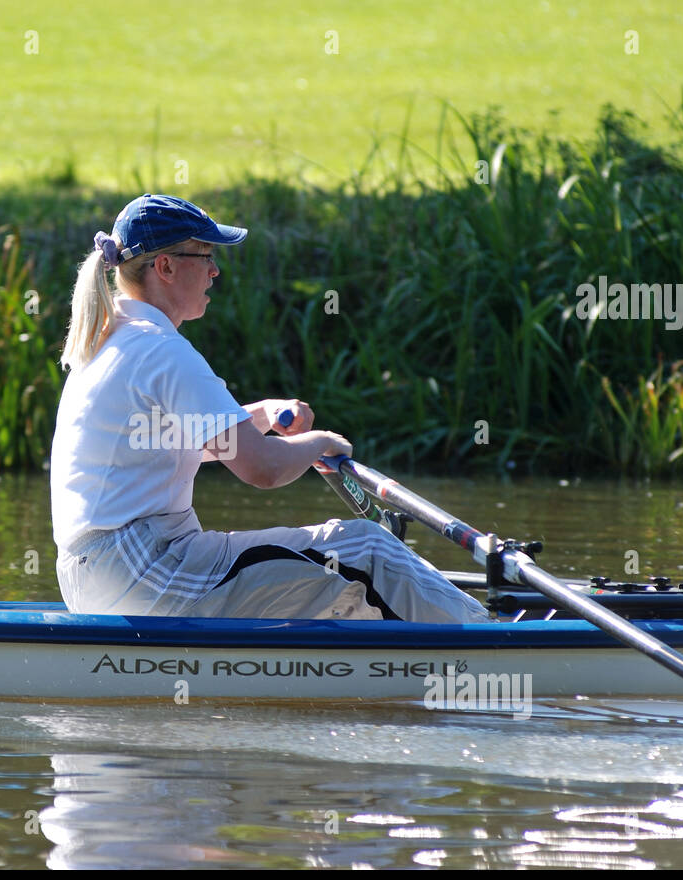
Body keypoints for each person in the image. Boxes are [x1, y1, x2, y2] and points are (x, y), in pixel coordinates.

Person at [49, 194, 488, 623]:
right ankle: (494, 642)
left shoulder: (108, 341)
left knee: (344, 577)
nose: (215, 271)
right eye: (205, 257)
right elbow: (263, 470)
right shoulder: (161, 350)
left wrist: (260, 415)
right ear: (165, 267)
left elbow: (163, 444)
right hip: (149, 571)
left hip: (94, 578)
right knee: (368, 551)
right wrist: (319, 442)